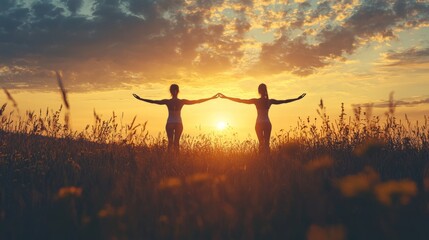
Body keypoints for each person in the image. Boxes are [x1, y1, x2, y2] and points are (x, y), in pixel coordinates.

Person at [219, 83, 306, 153]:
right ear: (265, 90)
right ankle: (267, 159)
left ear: (259, 91)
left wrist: (226, 97)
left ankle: (262, 159)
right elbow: (284, 101)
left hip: (259, 123)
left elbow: (241, 100)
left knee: (261, 143)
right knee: (267, 144)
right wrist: (297, 99)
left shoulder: (256, 101)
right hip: (267, 123)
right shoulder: (269, 101)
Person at [133, 84, 218, 152]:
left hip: (170, 123)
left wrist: (141, 99)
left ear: (170, 91)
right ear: (178, 91)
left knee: (170, 143)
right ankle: (177, 159)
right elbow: (197, 101)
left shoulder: (168, 101)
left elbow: (154, 102)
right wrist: (212, 98)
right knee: (176, 142)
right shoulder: (182, 102)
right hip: (178, 123)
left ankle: (169, 159)